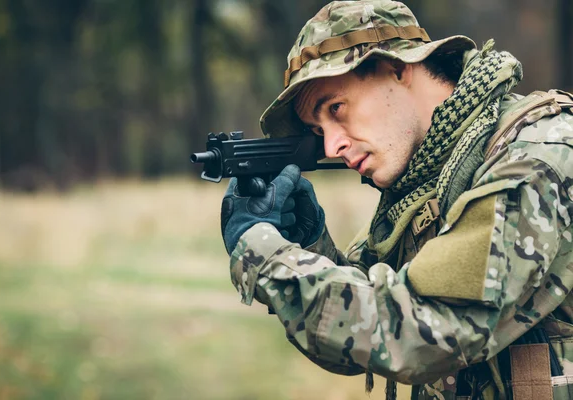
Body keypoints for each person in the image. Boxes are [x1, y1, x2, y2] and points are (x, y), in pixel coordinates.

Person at [219, 1, 573, 398]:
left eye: (336, 108)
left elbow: (423, 333)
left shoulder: (534, 159)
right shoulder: (424, 184)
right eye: (318, 130)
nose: (332, 146)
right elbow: (365, 331)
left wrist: (264, 256)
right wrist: (307, 242)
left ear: (397, 67)